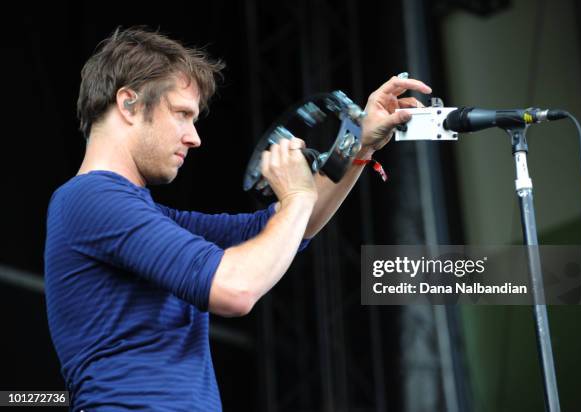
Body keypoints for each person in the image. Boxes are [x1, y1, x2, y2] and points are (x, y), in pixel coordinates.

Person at [44, 26, 432, 411]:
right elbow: (236, 288)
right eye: (182, 114)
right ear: (128, 104)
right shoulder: (89, 198)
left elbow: (282, 228)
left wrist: (358, 142)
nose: (194, 138)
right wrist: (296, 194)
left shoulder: (139, 214)